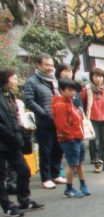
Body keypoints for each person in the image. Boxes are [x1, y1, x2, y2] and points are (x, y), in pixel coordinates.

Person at [0, 68, 44, 217]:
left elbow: (14, 117)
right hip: (3, 141)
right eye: (13, 77)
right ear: (5, 79)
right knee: (1, 177)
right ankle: (7, 206)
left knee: (24, 170)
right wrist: (12, 135)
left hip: (12, 141)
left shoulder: (9, 95)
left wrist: (19, 133)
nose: (16, 80)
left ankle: (24, 200)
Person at [23, 54, 66, 189]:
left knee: (58, 149)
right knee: (46, 150)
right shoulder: (32, 82)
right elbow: (28, 100)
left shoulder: (55, 80)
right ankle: (46, 177)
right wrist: (43, 113)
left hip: (59, 120)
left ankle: (56, 174)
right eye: (47, 65)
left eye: (52, 65)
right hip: (44, 122)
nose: (50, 68)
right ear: (39, 65)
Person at [52, 79, 90, 198]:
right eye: (69, 90)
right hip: (70, 139)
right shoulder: (60, 105)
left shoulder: (70, 102)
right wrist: (71, 138)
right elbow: (61, 126)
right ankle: (69, 189)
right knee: (72, 164)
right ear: (61, 90)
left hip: (77, 137)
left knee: (78, 163)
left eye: (73, 90)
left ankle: (82, 185)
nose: (72, 92)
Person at [80, 67, 104, 173]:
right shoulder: (86, 89)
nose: (99, 79)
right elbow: (80, 104)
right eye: (96, 76)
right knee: (95, 141)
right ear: (92, 77)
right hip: (92, 119)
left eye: (101, 76)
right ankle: (97, 162)